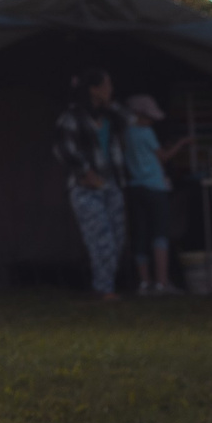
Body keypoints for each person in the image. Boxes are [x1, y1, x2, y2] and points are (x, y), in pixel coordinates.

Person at [54, 66, 130, 300]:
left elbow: (129, 121)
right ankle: (104, 289)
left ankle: (105, 284)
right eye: (106, 86)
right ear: (93, 89)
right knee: (100, 238)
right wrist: (85, 172)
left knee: (117, 237)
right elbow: (62, 149)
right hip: (86, 188)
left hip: (111, 184)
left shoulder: (110, 116)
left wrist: (111, 106)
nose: (111, 90)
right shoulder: (72, 117)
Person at [123, 93, 187, 295]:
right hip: (154, 187)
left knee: (140, 234)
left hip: (134, 187)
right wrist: (182, 144)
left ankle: (144, 283)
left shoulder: (125, 133)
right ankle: (162, 282)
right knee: (160, 234)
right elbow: (163, 158)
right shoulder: (146, 132)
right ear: (139, 114)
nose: (151, 120)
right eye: (148, 116)